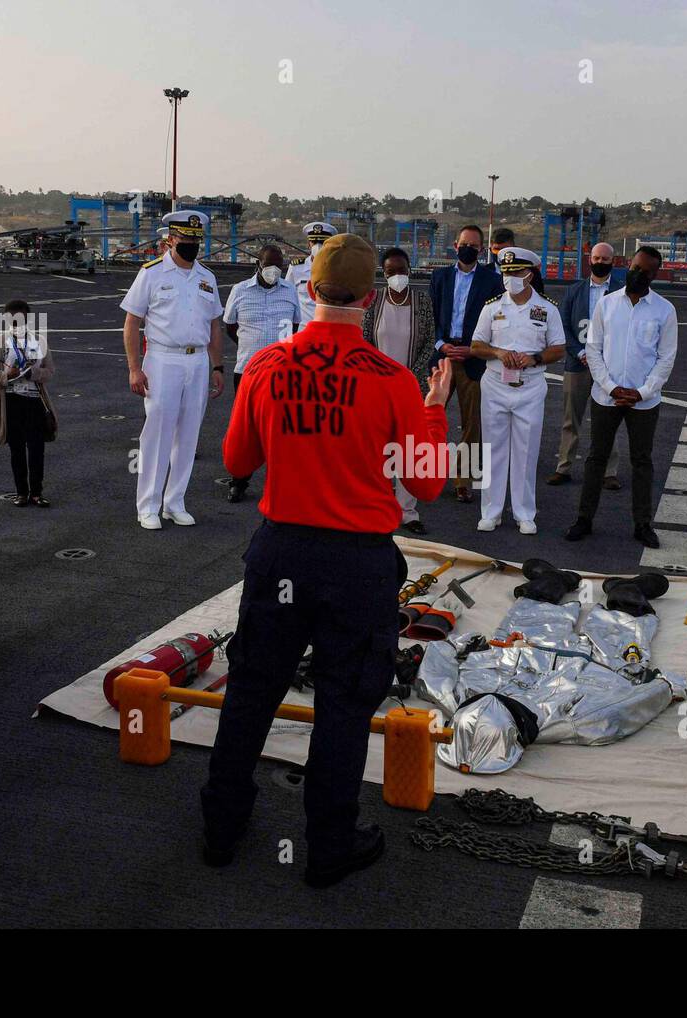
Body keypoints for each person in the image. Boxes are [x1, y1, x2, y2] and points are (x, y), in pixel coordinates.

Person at [201, 233, 453, 887]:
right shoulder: (393, 381)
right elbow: (425, 483)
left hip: (281, 551)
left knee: (250, 694)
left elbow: (236, 463)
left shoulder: (266, 368)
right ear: (371, 299)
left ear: (309, 290)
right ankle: (328, 846)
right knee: (343, 706)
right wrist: (432, 411)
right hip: (357, 562)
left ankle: (220, 829)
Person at [565, 246, 677, 548]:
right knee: (595, 458)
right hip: (606, 396)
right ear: (629, 265)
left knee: (642, 462)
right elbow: (593, 348)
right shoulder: (607, 304)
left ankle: (642, 525)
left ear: (656, 274)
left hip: (644, 401)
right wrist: (610, 387)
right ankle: (583, 519)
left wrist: (641, 392)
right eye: (636, 267)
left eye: (647, 271)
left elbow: (666, 358)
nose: (639, 274)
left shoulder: (665, 310)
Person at [120, 211, 225, 530]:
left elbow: (214, 325)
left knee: (189, 433)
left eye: (196, 239)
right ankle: (148, 505)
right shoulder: (151, 273)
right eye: (186, 239)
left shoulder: (206, 277)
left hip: (197, 362)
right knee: (158, 433)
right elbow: (132, 322)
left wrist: (218, 365)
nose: (191, 244)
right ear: (171, 239)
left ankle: (175, 501)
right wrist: (134, 368)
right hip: (163, 360)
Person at [469, 246, 565, 534]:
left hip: (530, 385)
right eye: (506, 272)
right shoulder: (492, 307)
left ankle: (524, 513)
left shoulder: (547, 309)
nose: (510, 278)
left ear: (530, 274)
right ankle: (491, 511)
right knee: (494, 449)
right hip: (496, 384)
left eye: (517, 273)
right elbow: (476, 346)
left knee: (526, 450)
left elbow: (559, 348)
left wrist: (534, 358)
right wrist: (498, 352)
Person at [360, 246, 437, 534]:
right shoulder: (374, 300)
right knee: (377, 450)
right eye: (391, 271)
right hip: (377, 385)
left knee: (408, 449)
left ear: (410, 270)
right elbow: (365, 339)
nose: (397, 276)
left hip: (411, 385)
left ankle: (407, 512)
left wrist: (411, 375)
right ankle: (378, 505)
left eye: (402, 270)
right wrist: (381, 375)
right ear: (383, 273)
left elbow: (429, 340)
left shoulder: (422, 301)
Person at [428, 224, 503, 502]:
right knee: (431, 416)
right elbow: (432, 316)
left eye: (473, 244)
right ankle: (427, 474)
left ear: (481, 249)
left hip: (473, 359)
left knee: (472, 423)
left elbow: (496, 323)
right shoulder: (440, 277)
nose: (467, 248)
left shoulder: (491, 281)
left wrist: (474, 349)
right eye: (463, 243)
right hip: (444, 356)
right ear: (455, 245)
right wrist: (440, 344)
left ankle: (463, 479)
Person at [222, 244, 301, 502]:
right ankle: (239, 481)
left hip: (281, 373)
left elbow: (296, 325)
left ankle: (281, 484)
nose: (274, 271)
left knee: (282, 430)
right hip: (247, 371)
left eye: (279, 267)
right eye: (269, 266)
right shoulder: (240, 291)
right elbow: (230, 326)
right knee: (245, 429)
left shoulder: (290, 291)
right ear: (258, 264)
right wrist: (251, 346)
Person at [549, 241, 621, 488]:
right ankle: (564, 467)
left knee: (608, 420)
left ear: (614, 261)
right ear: (589, 260)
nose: (600, 262)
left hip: (609, 368)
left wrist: (605, 358)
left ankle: (609, 472)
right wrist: (579, 352)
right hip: (577, 364)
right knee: (571, 419)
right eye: (597, 258)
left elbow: (625, 330)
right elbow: (563, 327)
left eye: (605, 259)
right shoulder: (574, 291)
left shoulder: (621, 292)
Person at [0, 299, 56, 507]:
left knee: (36, 448)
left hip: (34, 401)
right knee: (16, 449)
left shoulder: (39, 341)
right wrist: (7, 375)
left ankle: (36, 492)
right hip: (10, 402)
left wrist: (33, 373)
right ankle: (21, 492)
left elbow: (49, 371)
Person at [285, 221, 338, 330]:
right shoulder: (296, 268)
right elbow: (287, 299)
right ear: (308, 244)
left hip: (329, 329)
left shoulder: (338, 269)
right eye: (314, 242)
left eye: (322, 242)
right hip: (303, 330)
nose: (318, 245)